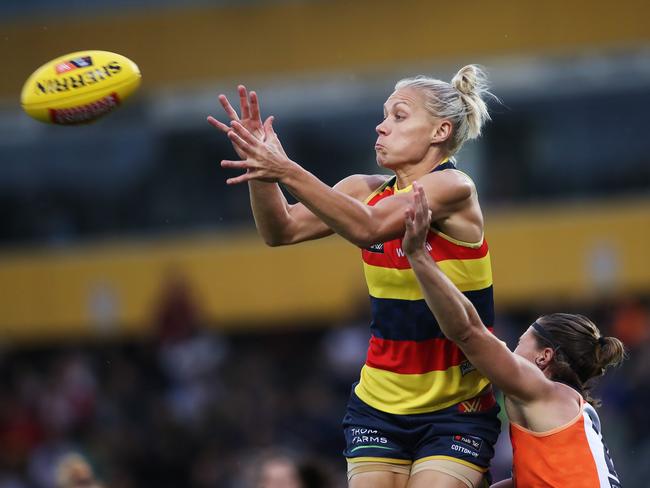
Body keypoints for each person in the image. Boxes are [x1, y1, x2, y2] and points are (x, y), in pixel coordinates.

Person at [208, 65, 500, 488]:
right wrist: (261, 167)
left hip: (456, 410)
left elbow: (368, 227)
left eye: (398, 116)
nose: (381, 127)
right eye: (383, 116)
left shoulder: (453, 187)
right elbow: (281, 230)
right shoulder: (364, 189)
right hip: (378, 406)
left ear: (439, 132)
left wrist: (286, 169)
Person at [401, 182, 625, 488]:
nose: (511, 347)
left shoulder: (540, 390)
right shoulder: (562, 414)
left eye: (521, 341)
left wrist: (418, 256)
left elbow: (468, 332)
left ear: (544, 356)